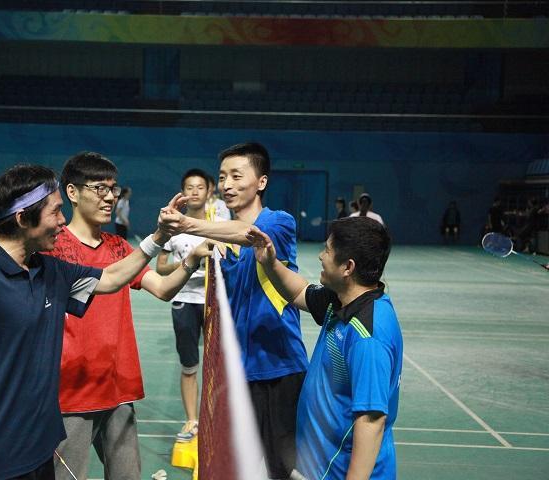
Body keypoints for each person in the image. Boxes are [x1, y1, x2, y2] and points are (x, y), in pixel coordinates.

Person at [0, 164, 179, 480]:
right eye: (55, 211)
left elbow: (112, 277)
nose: (62, 220)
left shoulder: (50, 270)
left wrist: (158, 238)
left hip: (40, 447)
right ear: (23, 218)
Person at [45, 153, 214, 480]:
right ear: (72, 192)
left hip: (118, 389)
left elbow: (162, 288)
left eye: (113, 189)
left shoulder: (119, 247)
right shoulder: (55, 247)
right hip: (72, 393)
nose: (110, 197)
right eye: (99, 188)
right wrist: (159, 237)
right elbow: (107, 280)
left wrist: (191, 259)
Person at [160, 142, 309, 480]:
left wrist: (185, 223)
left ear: (261, 182)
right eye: (223, 176)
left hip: (279, 369)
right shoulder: (224, 245)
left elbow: (249, 234)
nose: (227, 184)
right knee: (240, 468)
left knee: (282, 469)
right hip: (239, 374)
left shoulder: (279, 222)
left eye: (237, 176)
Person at [248, 216, 402, 480]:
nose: (321, 256)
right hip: (319, 467)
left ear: (348, 267)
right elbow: (298, 292)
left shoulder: (368, 336)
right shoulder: (341, 300)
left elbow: (371, 421)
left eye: (327, 250)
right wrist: (270, 262)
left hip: (340, 472)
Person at [156, 168, 213, 442]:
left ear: (209, 191)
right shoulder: (174, 229)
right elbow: (161, 267)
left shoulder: (219, 227)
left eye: (200, 187)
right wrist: (188, 264)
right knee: (189, 365)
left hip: (213, 303)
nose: (194, 191)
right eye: (189, 187)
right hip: (184, 302)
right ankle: (192, 420)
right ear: (183, 192)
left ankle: (214, 421)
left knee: (216, 365)